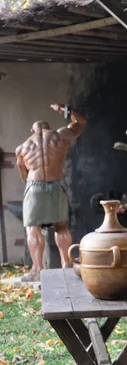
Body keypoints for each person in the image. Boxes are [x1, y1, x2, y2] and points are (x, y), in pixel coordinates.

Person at [15, 104, 87, 282]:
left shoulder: (23, 147)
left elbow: (23, 174)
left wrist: (33, 188)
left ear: (32, 130)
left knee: (33, 229)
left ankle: (37, 269)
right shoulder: (60, 135)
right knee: (62, 227)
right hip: (56, 185)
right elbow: (81, 122)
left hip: (34, 186)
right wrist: (66, 110)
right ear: (48, 127)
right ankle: (67, 265)